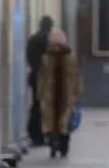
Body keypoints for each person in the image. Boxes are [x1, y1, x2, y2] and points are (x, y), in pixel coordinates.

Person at [38, 27, 82, 157]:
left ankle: (55, 144)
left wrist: (40, 94)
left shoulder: (47, 57)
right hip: (63, 94)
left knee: (55, 122)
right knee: (63, 122)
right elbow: (76, 75)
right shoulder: (70, 56)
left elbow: (42, 77)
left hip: (52, 94)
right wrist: (78, 91)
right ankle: (62, 145)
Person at [27, 16, 54, 146]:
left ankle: (35, 134)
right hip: (47, 79)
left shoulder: (32, 40)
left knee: (36, 106)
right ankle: (45, 133)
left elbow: (29, 58)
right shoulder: (49, 41)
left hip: (36, 78)